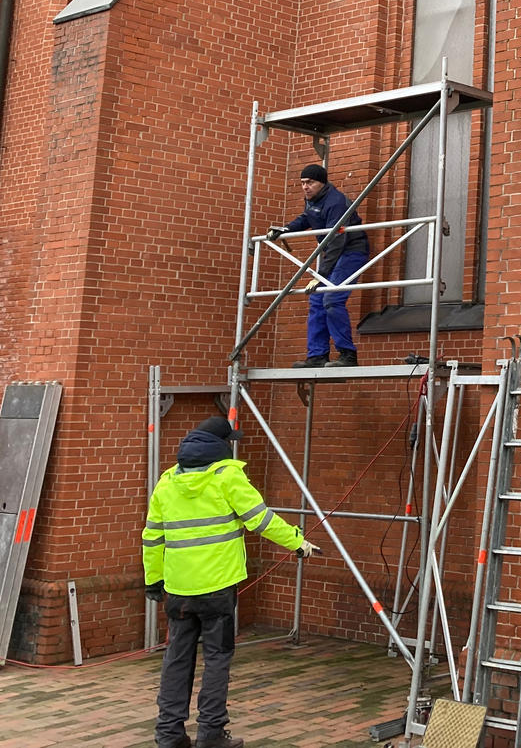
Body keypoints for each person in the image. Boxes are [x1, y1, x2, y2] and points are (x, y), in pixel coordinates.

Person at [142, 416, 321, 748]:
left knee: (176, 660)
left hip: (178, 591)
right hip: (218, 589)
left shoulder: (166, 482)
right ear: (221, 446)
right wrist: (298, 542)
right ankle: (210, 735)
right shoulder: (228, 477)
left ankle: (168, 734)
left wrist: (153, 581)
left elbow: (152, 538)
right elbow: (261, 520)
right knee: (217, 660)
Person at [267, 163, 369, 367]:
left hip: (351, 252)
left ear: (321, 183)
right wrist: (285, 229)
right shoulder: (313, 199)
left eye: (310, 182)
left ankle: (347, 354)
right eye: (303, 183)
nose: (305, 187)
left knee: (332, 299)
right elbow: (307, 217)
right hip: (333, 253)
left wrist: (320, 274)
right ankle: (317, 355)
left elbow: (337, 241)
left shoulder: (336, 202)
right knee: (316, 301)